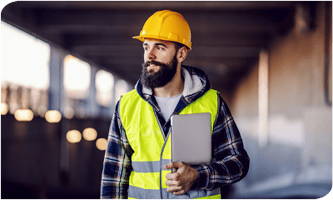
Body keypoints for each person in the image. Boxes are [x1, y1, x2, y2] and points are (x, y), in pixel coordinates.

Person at [100, 10, 250, 200]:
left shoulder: (212, 103)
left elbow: (238, 163)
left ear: (181, 54)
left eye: (160, 47)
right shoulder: (126, 106)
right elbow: (113, 179)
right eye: (146, 47)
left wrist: (198, 176)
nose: (150, 56)